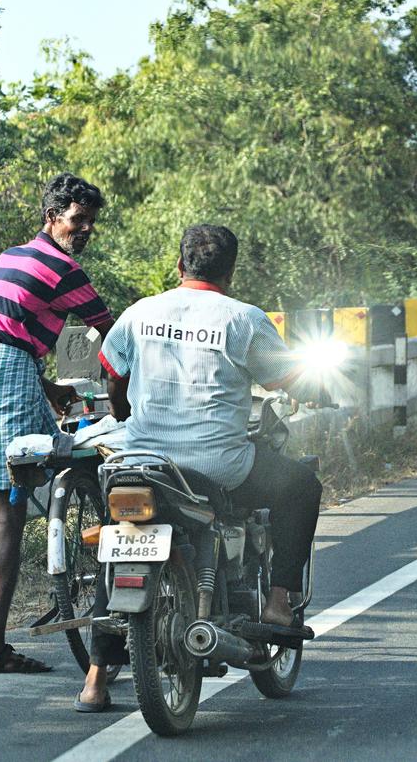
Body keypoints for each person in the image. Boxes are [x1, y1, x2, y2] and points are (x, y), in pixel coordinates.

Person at [76, 223, 322, 711]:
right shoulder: (244, 320)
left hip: (143, 461)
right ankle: (277, 601)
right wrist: (318, 390)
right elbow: (290, 379)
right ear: (231, 271)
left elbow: (113, 373)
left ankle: (95, 680)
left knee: (119, 534)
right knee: (301, 486)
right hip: (218, 466)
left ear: (179, 265)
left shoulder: (140, 312)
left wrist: (125, 412)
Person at [0, 172, 114, 673]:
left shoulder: (11, 255)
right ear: (52, 217)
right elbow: (114, 335)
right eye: (77, 220)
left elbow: (5, 335)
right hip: (5, 370)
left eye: (90, 223)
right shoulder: (64, 269)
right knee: (11, 508)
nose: (84, 230)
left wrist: (51, 389)